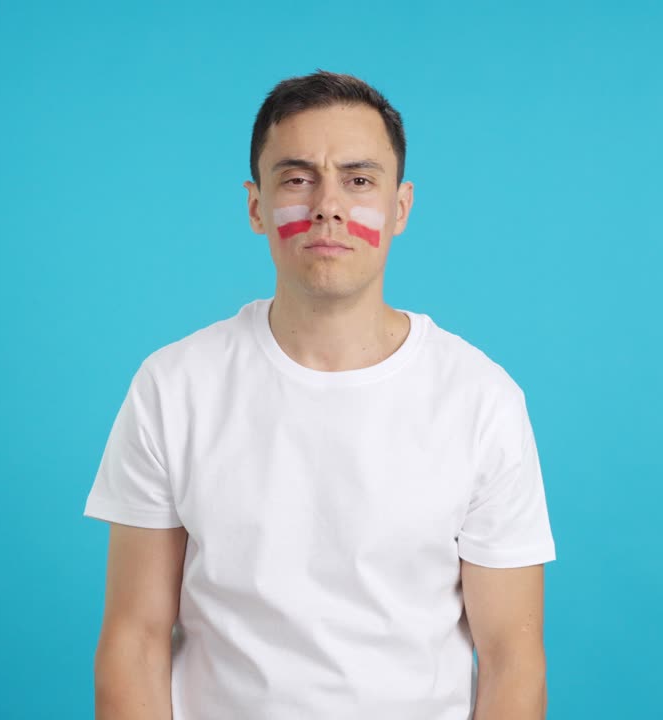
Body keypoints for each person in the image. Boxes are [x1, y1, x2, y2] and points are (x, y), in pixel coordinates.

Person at [83, 69, 556, 719]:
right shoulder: (174, 387)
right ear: (256, 206)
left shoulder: (480, 400)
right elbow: (133, 640)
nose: (328, 205)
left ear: (400, 208)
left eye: (358, 180)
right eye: (298, 179)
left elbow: (512, 659)